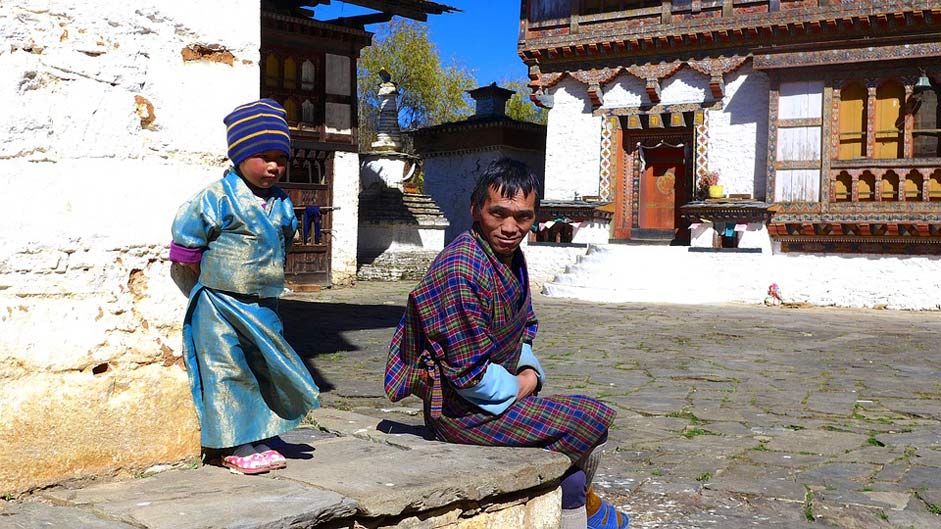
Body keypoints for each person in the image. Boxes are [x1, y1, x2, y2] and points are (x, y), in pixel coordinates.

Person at [385, 158, 629, 529]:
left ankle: (581, 505)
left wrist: (529, 367)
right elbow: (467, 375)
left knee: (572, 472)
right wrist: (524, 383)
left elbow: (525, 326)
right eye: (498, 213)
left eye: (524, 217)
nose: (511, 228)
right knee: (590, 418)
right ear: (475, 208)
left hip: (497, 395)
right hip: (459, 413)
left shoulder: (511, 260)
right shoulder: (461, 270)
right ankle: (587, 511)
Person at [169, 99, 320, 475]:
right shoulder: (217, 197)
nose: (274, 166)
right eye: (264, 156)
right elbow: (189, 235)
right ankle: (229, 444)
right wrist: (195, 269)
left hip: (264, 304)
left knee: (261, 367)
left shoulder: (282, 203)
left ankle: (258, 432)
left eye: (281, 158)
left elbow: (286, 237)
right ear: (239, 155)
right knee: (226, 369)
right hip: (219, 304)